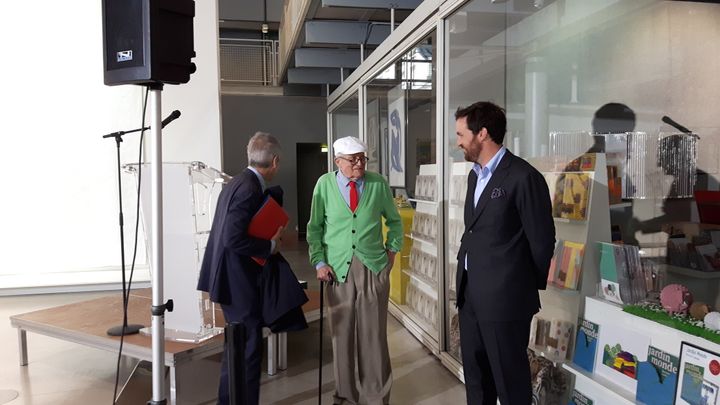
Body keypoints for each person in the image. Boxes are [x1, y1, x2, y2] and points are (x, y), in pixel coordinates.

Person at [454, 102, 556, 405]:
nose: (457, 141)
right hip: (470, 295)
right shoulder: (475, 175)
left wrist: (519, 287)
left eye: (461, 134)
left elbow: (542, 241)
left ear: (482, 133)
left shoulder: (524, 177)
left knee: (511, 386)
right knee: (477, 381)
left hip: (505, 301)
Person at [307, 136, 403, 405]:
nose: (359, 163)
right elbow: (314, 228)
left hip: (373, 267)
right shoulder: (324, 185)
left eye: (362, 158)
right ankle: (346, 397)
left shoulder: (377, 183)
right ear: (338, 161)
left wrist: (391, 255)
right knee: (342, 336)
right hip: (336, 270)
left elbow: (394, 223)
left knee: (373, 337)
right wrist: (319, 261)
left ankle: (376, 397)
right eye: (353, 159)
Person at [197, 132, 285, 405]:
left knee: (237, 348)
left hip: (228, 278)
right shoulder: (249, 187)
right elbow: (233, 238)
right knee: (247, 350)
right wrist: (270, 246)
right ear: (275, 161)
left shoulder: (235, 183)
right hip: (238, 282)